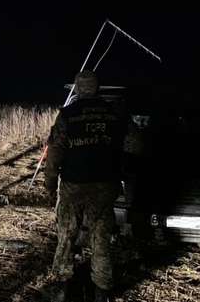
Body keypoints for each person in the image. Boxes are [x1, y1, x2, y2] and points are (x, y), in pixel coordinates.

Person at [44, 70, 127, 302]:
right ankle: (102, 289)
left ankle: (62, 285)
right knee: (101, 236)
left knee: (67, 233)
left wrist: (50, 182)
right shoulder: (115, 114)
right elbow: (134, 145)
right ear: (97, 88)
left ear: (79, 89)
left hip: (73, 184)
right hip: (105, 185)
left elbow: (55, 151)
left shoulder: (68, 114)